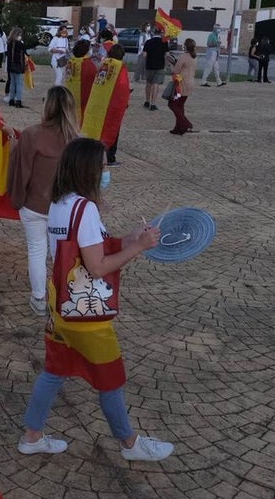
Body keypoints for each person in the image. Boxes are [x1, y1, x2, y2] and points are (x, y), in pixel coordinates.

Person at [17, 137, 173, 461]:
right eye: (103, 166)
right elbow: (97, 266)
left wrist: (130, 237)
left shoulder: (60, 203)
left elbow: (87, 247)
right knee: (110, 376)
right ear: (87, 169)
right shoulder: (85, 208)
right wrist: (138, 248)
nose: (106, 171)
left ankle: (32, 436)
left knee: (54, 370)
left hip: (60, 304)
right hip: (85, 313)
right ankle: (130, 444)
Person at [7, 86, 78, 315]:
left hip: (34, 205)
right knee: (61, 253)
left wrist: (11, 139)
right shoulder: (77, 140)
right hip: (64, 209)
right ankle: (63, 297)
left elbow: (21, 167)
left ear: (48, 105)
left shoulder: (32, 134)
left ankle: (38, 299)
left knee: (37, 251)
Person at [167, 39, 198, 135]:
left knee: (172, 104)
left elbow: (176, 71)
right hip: (190, 82)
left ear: (185, 46)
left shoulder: (183, 57)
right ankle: (178, 128)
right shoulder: (194, 57)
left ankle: (185, 123)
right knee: (180, 105)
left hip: (181, 84)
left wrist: (171, 64)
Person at [141, 28, 167, 110]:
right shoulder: (164, 43)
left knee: (148, 83)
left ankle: (147, 101)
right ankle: (153, 104)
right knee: (156, 84)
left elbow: (144, 55)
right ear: (161, 33)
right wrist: (166, 65)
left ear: (153, 33)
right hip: (160, 66)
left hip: (149, 65)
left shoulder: (148, 42)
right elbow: (167, 55)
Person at [5, 27, 28, 107]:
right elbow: (26, 47)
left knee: (12, 83)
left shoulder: (9, 43)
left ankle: (11, 99)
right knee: (19, 84)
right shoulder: (19, 44)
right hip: (18, 65)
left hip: (11, 65)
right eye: (20, 35)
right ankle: (18, 100)